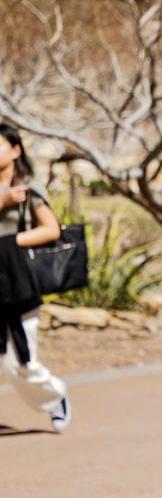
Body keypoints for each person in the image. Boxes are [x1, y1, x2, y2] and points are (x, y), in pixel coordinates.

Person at [0, 124, 70, 432]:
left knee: (21, 362)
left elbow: (51, 230)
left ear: (16, 150)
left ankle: (55, 396)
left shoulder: (28, 187)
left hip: (17, 283)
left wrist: (10, 244)